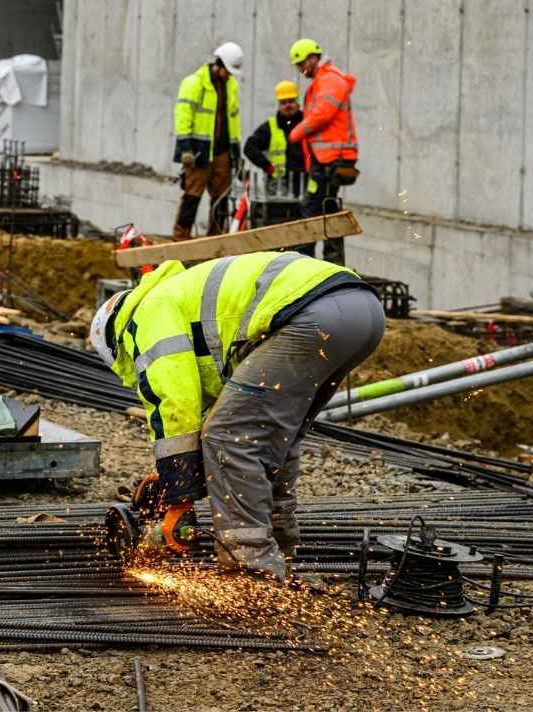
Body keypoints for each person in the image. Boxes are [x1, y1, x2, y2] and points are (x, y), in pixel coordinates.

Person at [90, 252, 385, 581]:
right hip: (361, 311)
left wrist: (180, 502)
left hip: (311, 314)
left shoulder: (143, 319)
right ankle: (280, 546)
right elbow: (224, 410)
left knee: (229, 437)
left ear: (115, 344)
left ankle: (251, 569)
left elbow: (177, 405)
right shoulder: (178, 296)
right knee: (272, 436)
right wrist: (172, 480)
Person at [288, 39, 359, 263]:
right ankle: (315, 260)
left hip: (332, 160)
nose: (301, 70)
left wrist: (296, 132)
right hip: (324, 160)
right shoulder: (322, 81)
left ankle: (318, 261)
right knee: (320, 206)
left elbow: (322, 115)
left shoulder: (330, 80)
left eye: (301, 65)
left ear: (312, 58)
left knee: (322, 206)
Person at [171, 42, 244, 241]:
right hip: (199, 151)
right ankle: (181, 238)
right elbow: (183, 115)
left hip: (222, 151)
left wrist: (236, 151)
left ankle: (216, 240)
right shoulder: (194, 83)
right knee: (192, 196)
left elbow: (233, 119)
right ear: (218, 64)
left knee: (221, 198)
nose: (229, 75)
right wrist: (185, 147)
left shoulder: (231, 86)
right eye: (227, 71)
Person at [242, 80, 304, 194]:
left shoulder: (308, 124)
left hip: (305, 184)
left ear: (297, 103)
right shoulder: (270, 127)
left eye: (291, 101)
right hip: (278, 187)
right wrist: (267, 166)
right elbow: (249, 147)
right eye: (283, 102)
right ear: (279, 105)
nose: (287, 105)